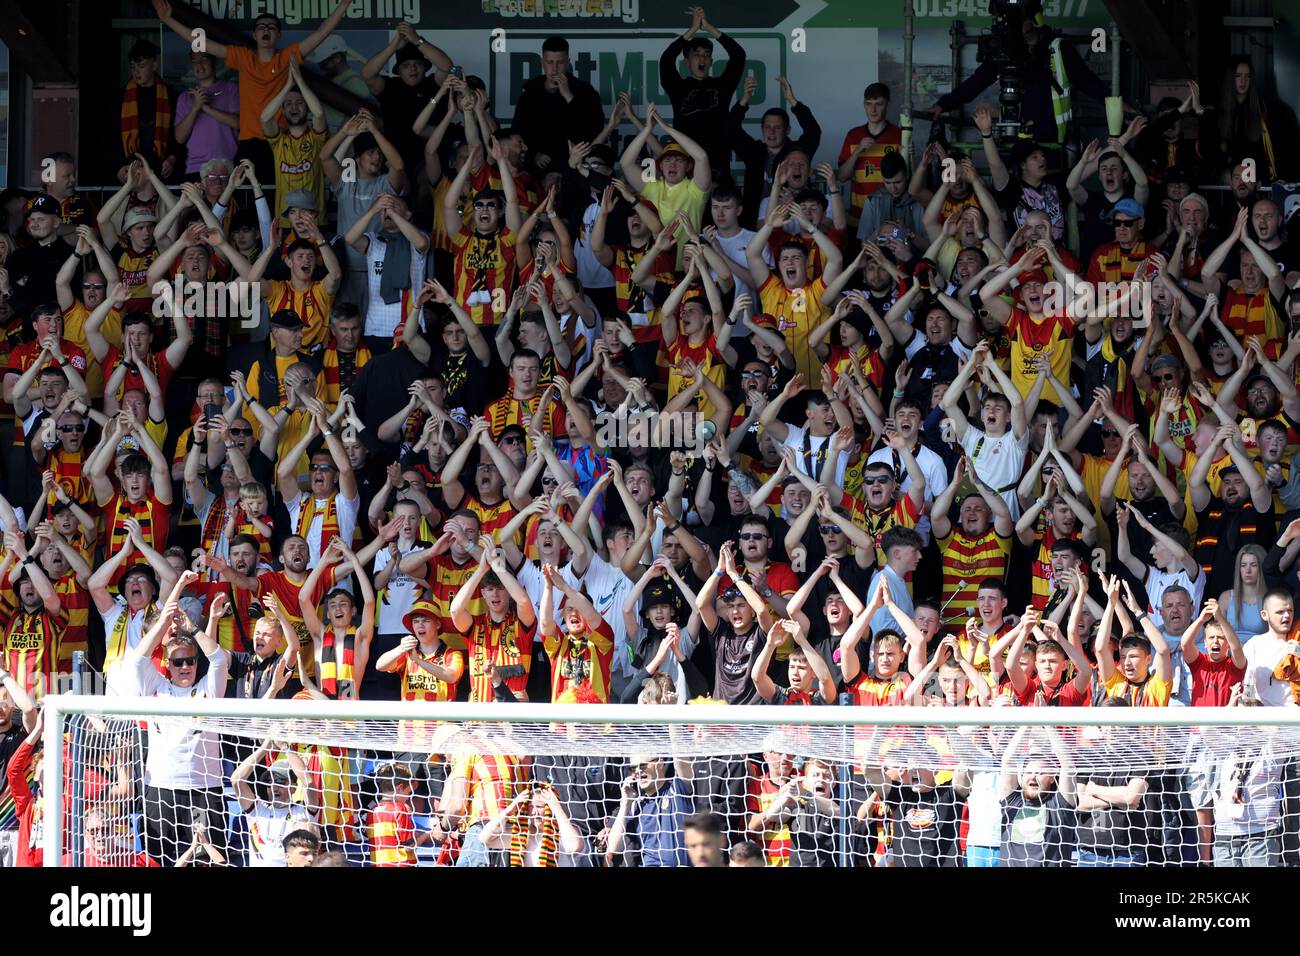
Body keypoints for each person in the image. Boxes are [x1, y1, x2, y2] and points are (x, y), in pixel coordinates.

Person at [116, 572, 230, 866]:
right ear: (167, 664)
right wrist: (166, 619)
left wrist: (192, 629)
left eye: (189, 660)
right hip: (160, 789)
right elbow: (138, 659)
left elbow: (218, 659)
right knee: (160, 860)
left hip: (203, 792)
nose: (184, 667)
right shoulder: (155, 687)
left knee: (207, 861)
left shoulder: (209, 689)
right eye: (177, 661)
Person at [657, 7, 746, 179]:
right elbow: (666, 60)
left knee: (720, 205)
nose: (702, 58)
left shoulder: (722, 86)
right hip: (686, 163)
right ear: (686, 62)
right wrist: (692, 30)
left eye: (706, 55)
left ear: (711, 61)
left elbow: (738, 55)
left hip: (717, 162)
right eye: (696, 54)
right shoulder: (678, 87)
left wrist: (708, 27)